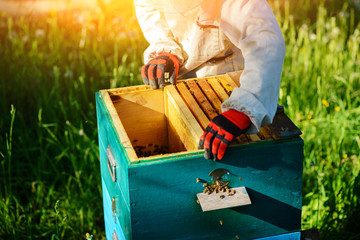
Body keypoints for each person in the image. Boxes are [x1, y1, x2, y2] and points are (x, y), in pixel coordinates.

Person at [135, 0, 285, 160]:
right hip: (184, 73)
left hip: (228, 70)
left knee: (240, 153)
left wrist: (244, 107)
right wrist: (165, 48)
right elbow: (149, 6)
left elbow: (265, 43)